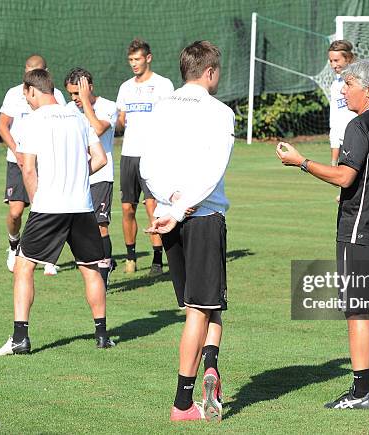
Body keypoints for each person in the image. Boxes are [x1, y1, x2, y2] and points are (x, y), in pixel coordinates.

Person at [276, 59, 369, 408]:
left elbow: (344, 177)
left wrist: (302, 162)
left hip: (359, 232)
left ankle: (361, 393)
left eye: (349, 84)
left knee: (358, 312)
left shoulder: (359, 126)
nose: (343, 90)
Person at [141, 40, 233, 422]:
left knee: (203, 305)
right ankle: (182, 403)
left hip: (167, 218)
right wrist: (181, 209)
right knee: (201, 308)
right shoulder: (220, 111)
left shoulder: (161, 106)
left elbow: (146, 166)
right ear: (210, 72)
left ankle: (211, 365)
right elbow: (214, 171)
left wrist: (170, 200)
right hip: (200, 217)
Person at [0, 69, 114, 356]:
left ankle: (20, 338)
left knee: (23, 265)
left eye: (26, 97)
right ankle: (102, 335)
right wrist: (75, 178)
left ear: (33, 90)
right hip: (82, 206)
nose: (27, 102)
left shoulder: (33, 121)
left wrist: (38, 199)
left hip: (49, 207)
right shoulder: (78, 117)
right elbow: (100, 159)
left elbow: (28, 168)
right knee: (91, 269)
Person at [0, 54, 66, 276]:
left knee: (48, 207)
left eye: (34, 70)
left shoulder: (56, 96)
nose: (29, 74)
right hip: (17, 160)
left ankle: (48, 257)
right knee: (16, 212)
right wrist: (17, 151)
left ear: (45, 72)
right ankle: (14, 245)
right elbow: (2, 126)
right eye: (27, 69)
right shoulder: (14, 94)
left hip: (45, 162)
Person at [116, 38, 174, 276]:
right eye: (130, 60)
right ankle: (130, 257)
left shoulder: (163, 85)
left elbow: (171, 118)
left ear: (148, 58)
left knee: (153, 206)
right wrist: (121, 120)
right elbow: (120, 120)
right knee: (127, 207)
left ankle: (158, 260)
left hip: (153, 155)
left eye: (137, 59)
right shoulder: (126, 87)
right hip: (129, 155)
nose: (134, 64)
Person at [64, 67, 118, 290]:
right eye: (72, 94)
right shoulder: (67, 110)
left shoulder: (108, 107)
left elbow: (97, 128)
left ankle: (103, 281)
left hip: (101, 176)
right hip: (78, 178)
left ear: (89, 88)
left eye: (78, 93)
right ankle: (101, 264)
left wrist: (86, 103)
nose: (75, 99)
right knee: (80, 230)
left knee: (101, 226)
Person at [328, 40, 357, 166]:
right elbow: (334, 123)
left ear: (348, 59)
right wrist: (334, 160)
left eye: (336, 60)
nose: (333, 65)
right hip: (344, 146)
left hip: (362, 142)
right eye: (331, 61)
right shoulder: (335, 86)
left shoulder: (362, 80)